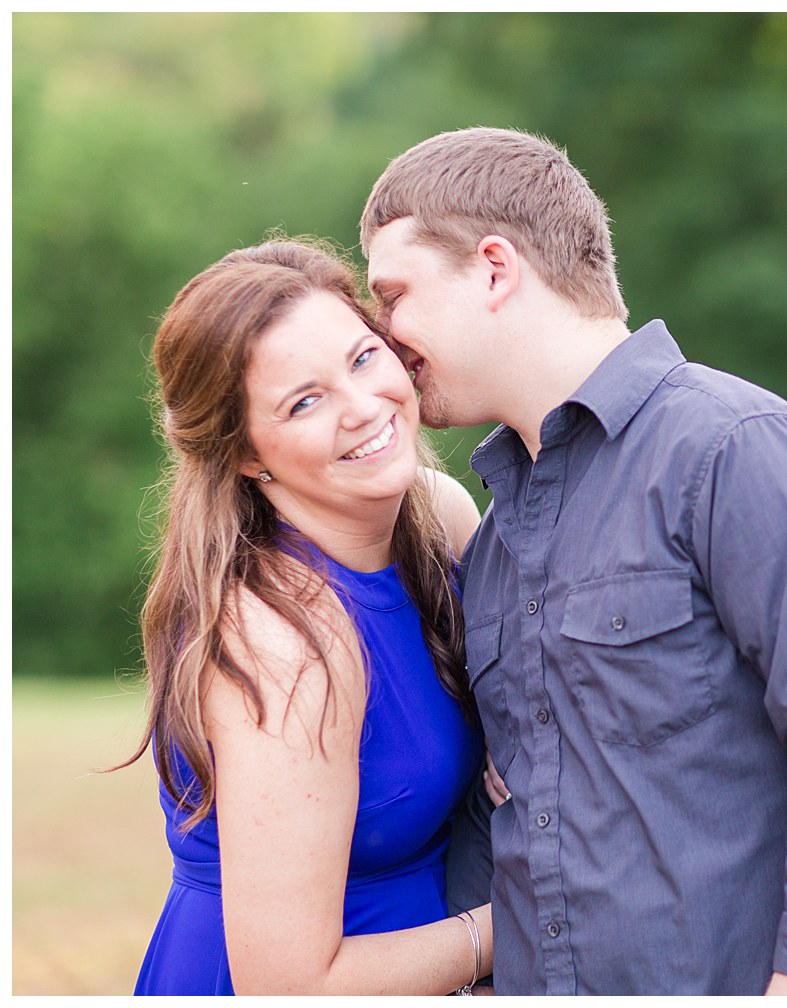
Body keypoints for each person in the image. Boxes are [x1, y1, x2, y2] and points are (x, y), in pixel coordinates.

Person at [360, 127, 787, 996]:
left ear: (494, 268)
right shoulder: (493, 539)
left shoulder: (737, 452)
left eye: (395, 294)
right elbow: (504, 813)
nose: (382, 336)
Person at [123, 238, 495, 995]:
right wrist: (518, 921)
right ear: (245, 456)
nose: (364, 408)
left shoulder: (437, 514)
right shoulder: (283, 640)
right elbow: (292, 985)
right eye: (305, 401)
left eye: (362, 358)